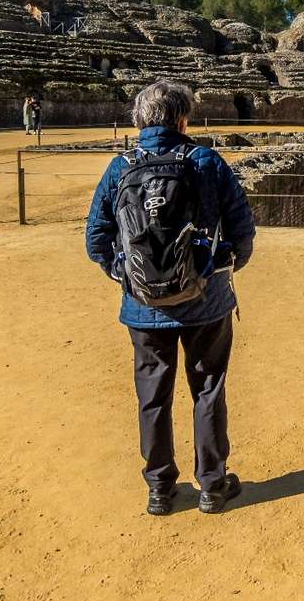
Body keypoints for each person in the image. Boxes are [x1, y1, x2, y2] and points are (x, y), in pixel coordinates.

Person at [84, 80, 258, 516]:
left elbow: (96, 238)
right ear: (183, 120)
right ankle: (212, 485)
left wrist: (125, 275)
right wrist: (224, 267)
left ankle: (160, 489)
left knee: (153, 395)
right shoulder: (206, 161)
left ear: (139, 121)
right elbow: (242, 228)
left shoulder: (120, 168)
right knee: (209, 389)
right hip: (206, 301)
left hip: (143, 308)